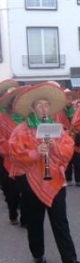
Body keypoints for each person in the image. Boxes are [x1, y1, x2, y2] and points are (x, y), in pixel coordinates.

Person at [9, 82, 80, 263]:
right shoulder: (21, 130)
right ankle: (37, 252)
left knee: (60, 220)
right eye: (39, 105)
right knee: (35, 221)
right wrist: (36, 152)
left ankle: (69, 259)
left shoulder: (56, 127)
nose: (44, 109)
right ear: (32, 109)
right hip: (31, 181)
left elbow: (68, 150)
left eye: (46, 105)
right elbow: (15, 154)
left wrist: (53, 147)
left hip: (55, 180)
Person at [0, 85, 28, 226]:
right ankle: (13, 212)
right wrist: (14, 149)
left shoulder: (27, 118)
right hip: (8, 162)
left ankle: (25, 218)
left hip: (26, 161)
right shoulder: (2, 118)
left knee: (26, 191)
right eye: (14, 99)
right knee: (11, 193)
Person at [53, 89, 80, 187]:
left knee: (77, 159)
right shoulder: (57, 112)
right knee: (66, 159)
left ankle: (79, 179)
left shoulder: (75, 110)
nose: (70, 100)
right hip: (63, 139)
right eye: (67, 98)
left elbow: (79, 122)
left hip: (75, 137)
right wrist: (64, 131)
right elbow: (56, 125)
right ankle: (67, 178)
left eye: (71, 98)